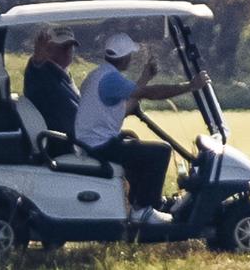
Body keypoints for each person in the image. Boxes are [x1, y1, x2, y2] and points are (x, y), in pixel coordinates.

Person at [74, 32, 210, 224]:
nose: (131, 58)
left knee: (134, 143)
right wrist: (190, 86)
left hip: (92, 141)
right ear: (124, 57)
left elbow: (125, 108)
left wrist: (145, 77)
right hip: (98, 146)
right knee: (161, 151)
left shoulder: (99, 74)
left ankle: (142, 204)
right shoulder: (111, 79)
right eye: (130, 55)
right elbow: (149, 94)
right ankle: (144, 208)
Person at [23, 26, 81, 157]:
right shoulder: (42, 74)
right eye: (62, 47)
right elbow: (35, 71)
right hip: (63, 146)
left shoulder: (64, 74)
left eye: (70, 47)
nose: (67, 51)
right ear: (47, 49)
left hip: (79, 141)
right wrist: (37, 59)